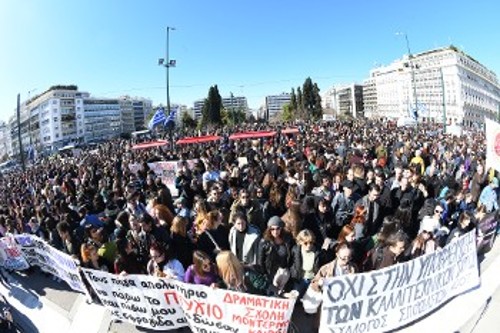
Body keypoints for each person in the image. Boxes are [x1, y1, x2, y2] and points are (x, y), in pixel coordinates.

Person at [257, 216, 294, 293]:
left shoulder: (287, 240)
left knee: (282, 294)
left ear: (281, 228)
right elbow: (260, 261)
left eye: (278, 228)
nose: (275, 231)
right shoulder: (264, 242)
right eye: (272, 229)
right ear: (269, 229)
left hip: (283, 272)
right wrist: (264, 275)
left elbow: (292, 256)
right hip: (270, 273)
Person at [290, 229, 319, 298]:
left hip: (313, 280)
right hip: (300, 279)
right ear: (300, 242)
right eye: (305, 243)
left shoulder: (317, 251)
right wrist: (294, 274)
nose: (309, 245)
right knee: (294, 299)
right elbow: (290, 263)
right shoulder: (295, 250)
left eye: (311, 242)